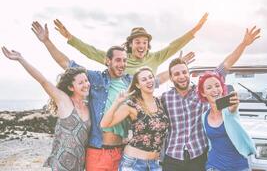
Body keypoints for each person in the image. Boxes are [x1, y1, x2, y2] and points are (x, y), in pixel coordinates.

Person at [31, 21, 131, 171]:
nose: (122, 64)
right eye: (117, 60)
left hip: (121, 152)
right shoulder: (95, 79)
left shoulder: (130, 82)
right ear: (108, 61)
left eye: (124, 60)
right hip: (97, 150)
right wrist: (46, 41)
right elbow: (66, 63)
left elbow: (154, 81)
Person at [161, 26, 261, 171]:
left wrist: (244, 44)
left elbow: (226, 64)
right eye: (176, 74)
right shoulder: (165, 98)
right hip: (173, 157)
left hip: (198, 155)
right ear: (170, 78)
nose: (181, 76)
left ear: (189, 73)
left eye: (184, 72)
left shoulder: (203, 89)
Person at [1, 47, 91, 171]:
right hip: (61, 165)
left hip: (80, 165)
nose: (86, 85)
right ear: (71, 87)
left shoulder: (89, 106)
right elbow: (43, 81)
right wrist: (21, 59)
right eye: (81, 83)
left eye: (86, 80)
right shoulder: (65, 101)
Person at [53, 13, 208, 75]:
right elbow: (92, 52)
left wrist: (195, 29)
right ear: (130, 44)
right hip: (120, 106)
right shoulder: (119, 58)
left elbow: (174, 46)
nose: (141, 45)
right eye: (137, 42)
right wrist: (71, 38)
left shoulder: (155, 58)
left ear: (148, 45)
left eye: (145, 42)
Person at [101, 67, 169, 171]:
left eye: (150, 77)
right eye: (144, 79)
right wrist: (117, 102)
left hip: (155, 164)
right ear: (137, 85)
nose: (149, 81)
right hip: (134, 163)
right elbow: (104, 124)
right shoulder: (132, 105)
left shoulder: (160, 102)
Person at [198, 72, 255, 171]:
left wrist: (234, 107)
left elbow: (233, 111)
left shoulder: (229, 110)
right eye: (209, 87)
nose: (215, 90)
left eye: (217, 85)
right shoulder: (204, 117)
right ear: (203, 93)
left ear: (222, 88)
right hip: (214, 165)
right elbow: (210, 143)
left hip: (239, 166)